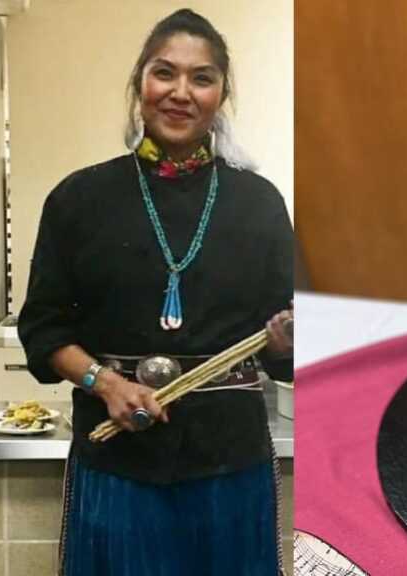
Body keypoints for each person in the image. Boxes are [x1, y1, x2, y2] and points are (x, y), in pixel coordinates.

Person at [18, 9, 293, 575]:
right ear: (140, 82)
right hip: (119, 458)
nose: (180, 93)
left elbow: (279, 350)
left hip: (229, 464)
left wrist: (289, 340)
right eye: (165, 73)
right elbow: (43, 329)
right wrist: (105, 382)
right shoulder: (78, 199)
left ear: (222, 94)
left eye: (202, 77)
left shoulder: (260, 204)